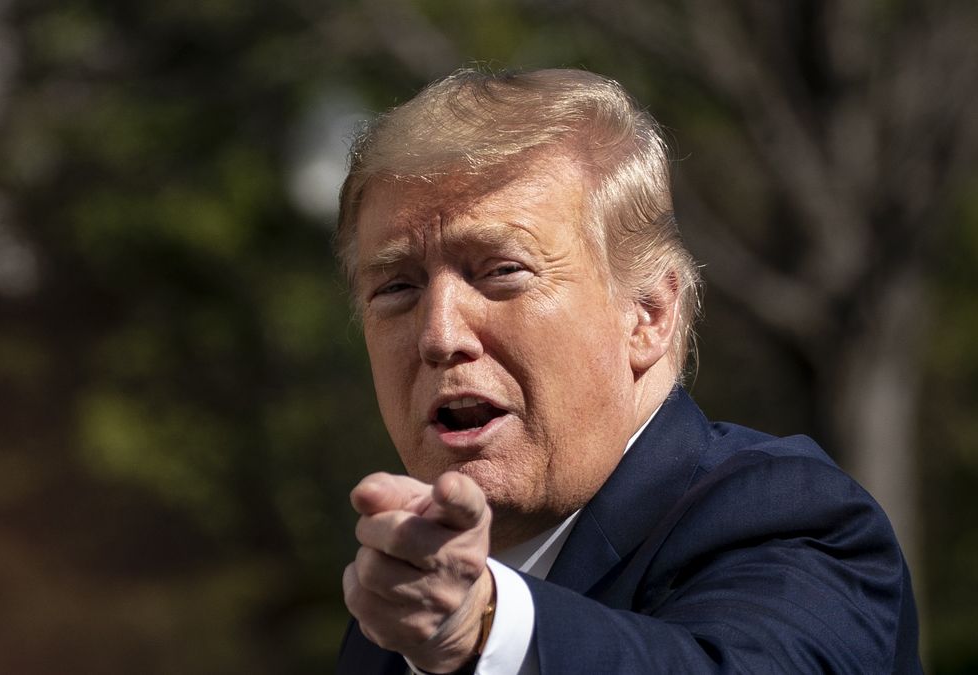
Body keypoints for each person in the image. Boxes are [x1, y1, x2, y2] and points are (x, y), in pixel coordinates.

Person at [334, 68, 921, 674]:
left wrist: (486, 629)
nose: (441, 336)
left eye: (501, 271)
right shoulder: (396, 611)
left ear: (648, 314)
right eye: (398, 287)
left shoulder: (790, 519)